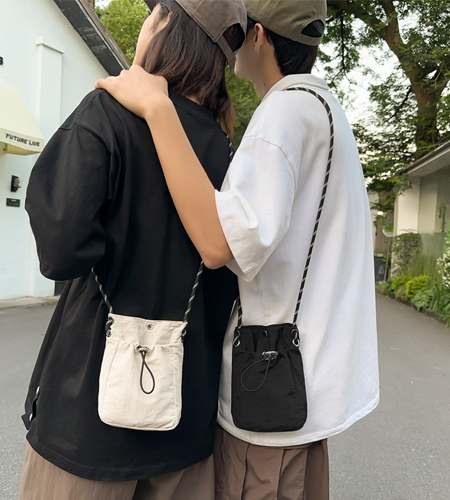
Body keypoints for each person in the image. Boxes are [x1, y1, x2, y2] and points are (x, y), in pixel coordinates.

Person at [96, 0, 380, 498]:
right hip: (303, 388)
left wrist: (159, 110)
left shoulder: (283, 112)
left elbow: (218, 244)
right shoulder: (327, 110)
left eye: (240, 32)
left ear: (260, 36)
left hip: (268, 400)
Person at [19, 1, 247, 499]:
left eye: (151, 15)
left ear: (166, 27)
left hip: (87, 422)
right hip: (187, 421)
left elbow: (60, 251)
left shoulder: (108, 113)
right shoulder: (233, 153)